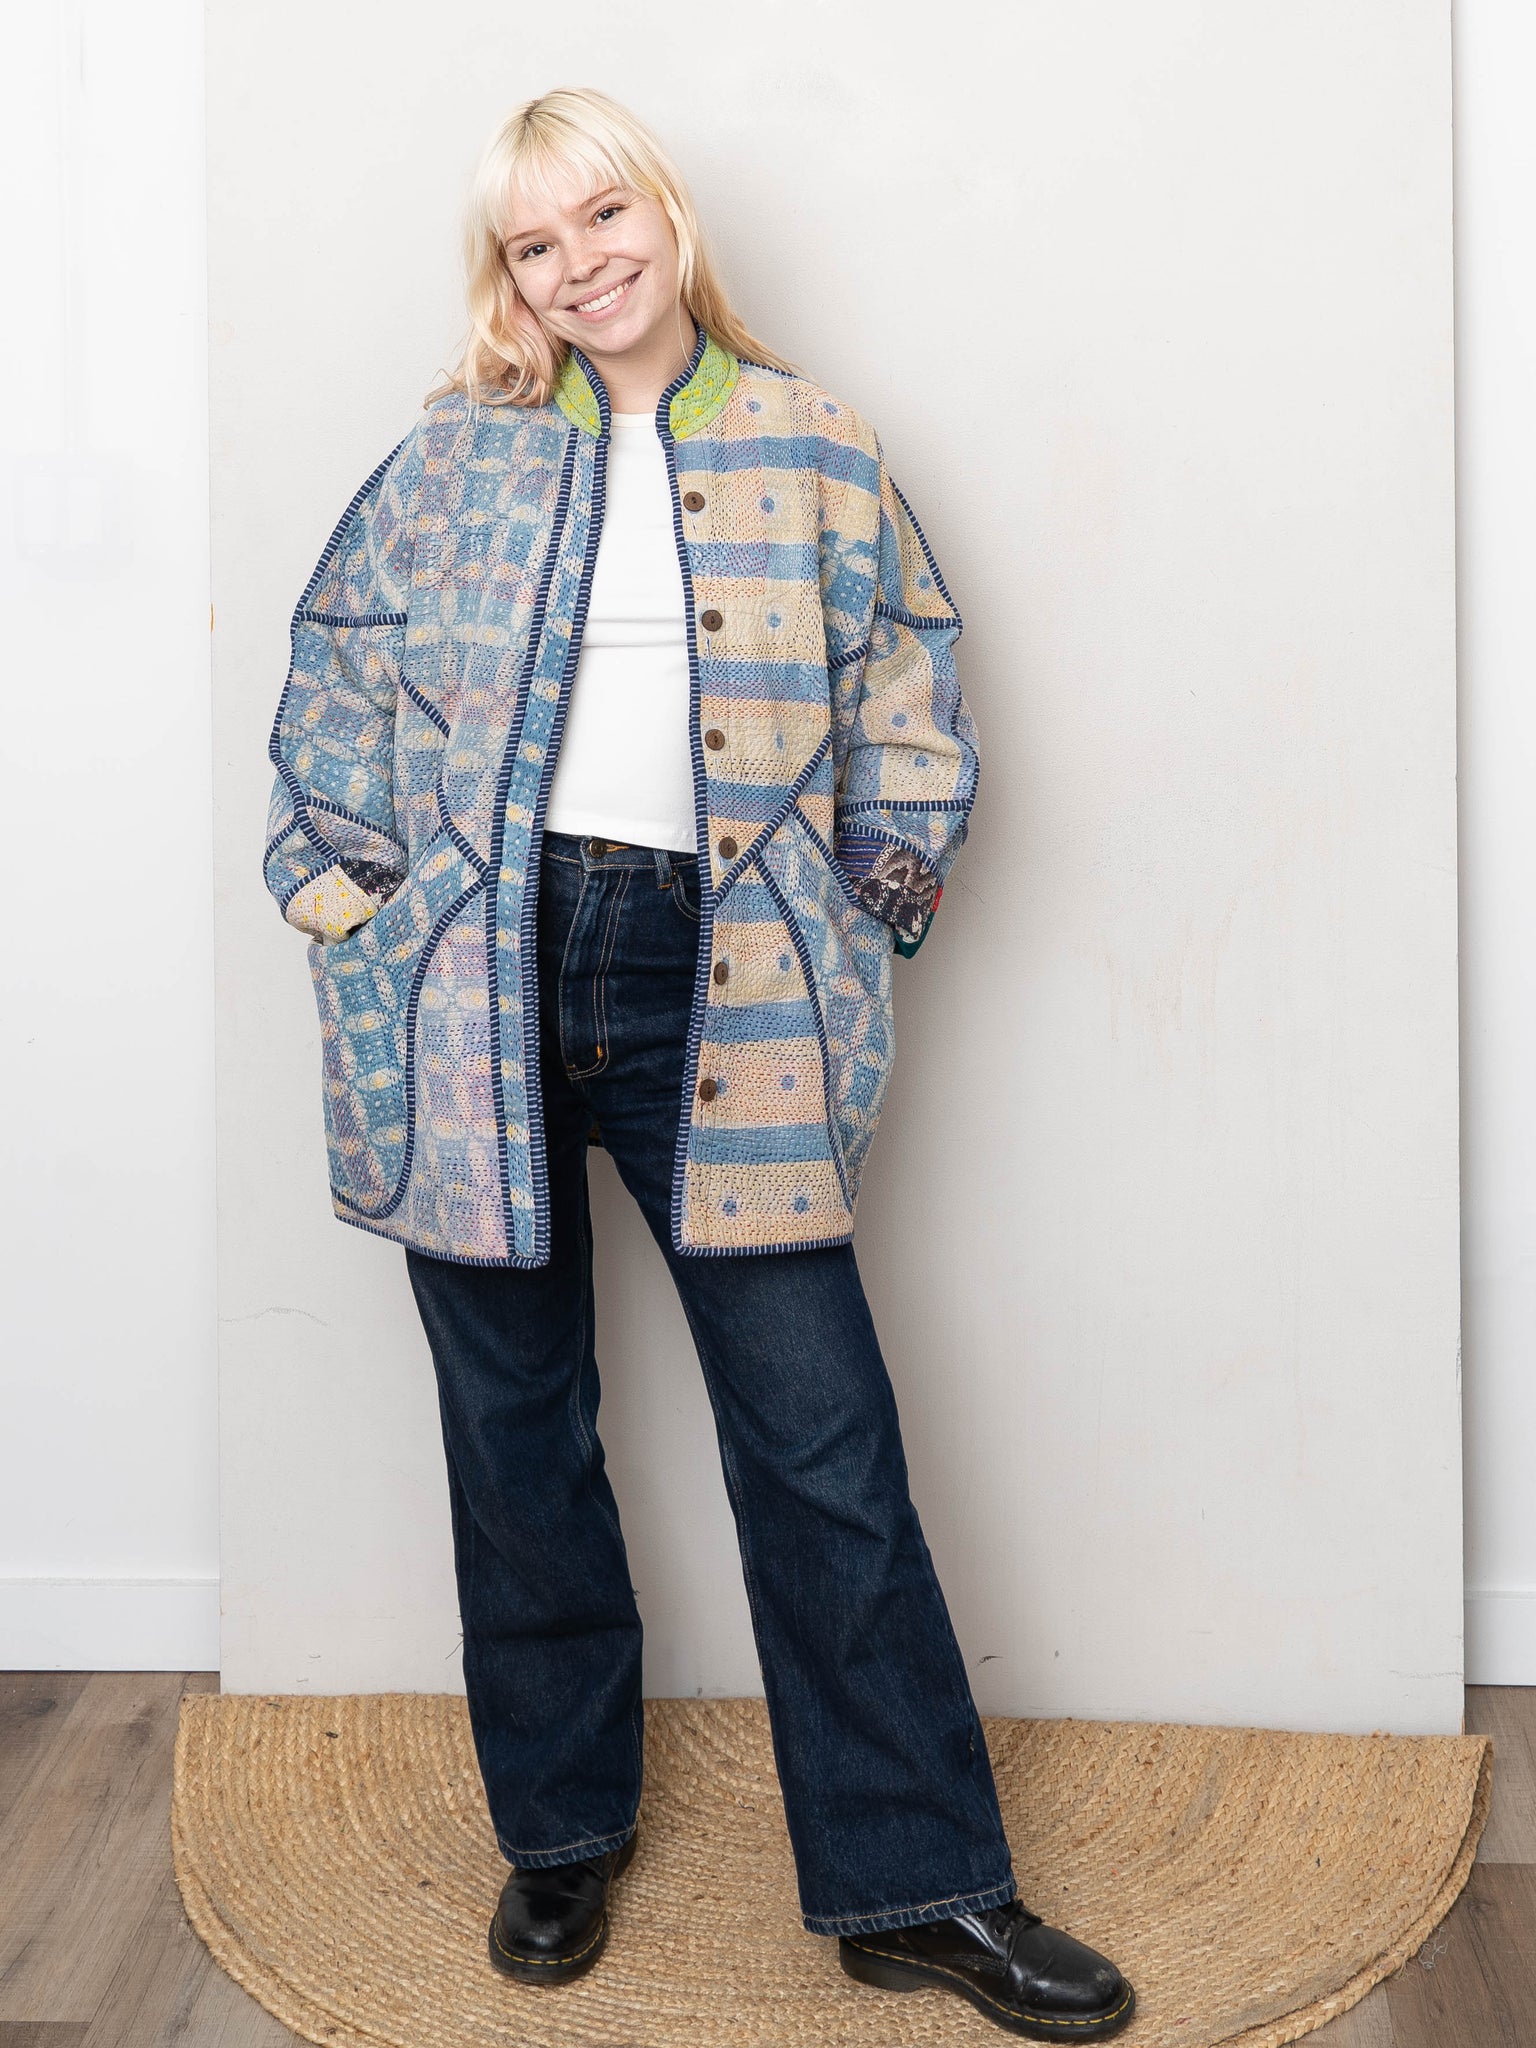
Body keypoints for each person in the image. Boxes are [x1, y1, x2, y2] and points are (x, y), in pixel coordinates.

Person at [261, 84, 1134, 2041]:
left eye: (601, 216)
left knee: (820, 1441)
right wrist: (351, 909)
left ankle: (920, 1884)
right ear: (509, 278)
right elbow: (333, 670)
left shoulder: (816, 442)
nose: (580, 264)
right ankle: (561, 1831)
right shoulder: (452, 458)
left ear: (663, 212)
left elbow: (908, 681)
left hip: (722, 977)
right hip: (478, 978)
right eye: (534, 244)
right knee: (518, 1433)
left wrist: (871, 896)